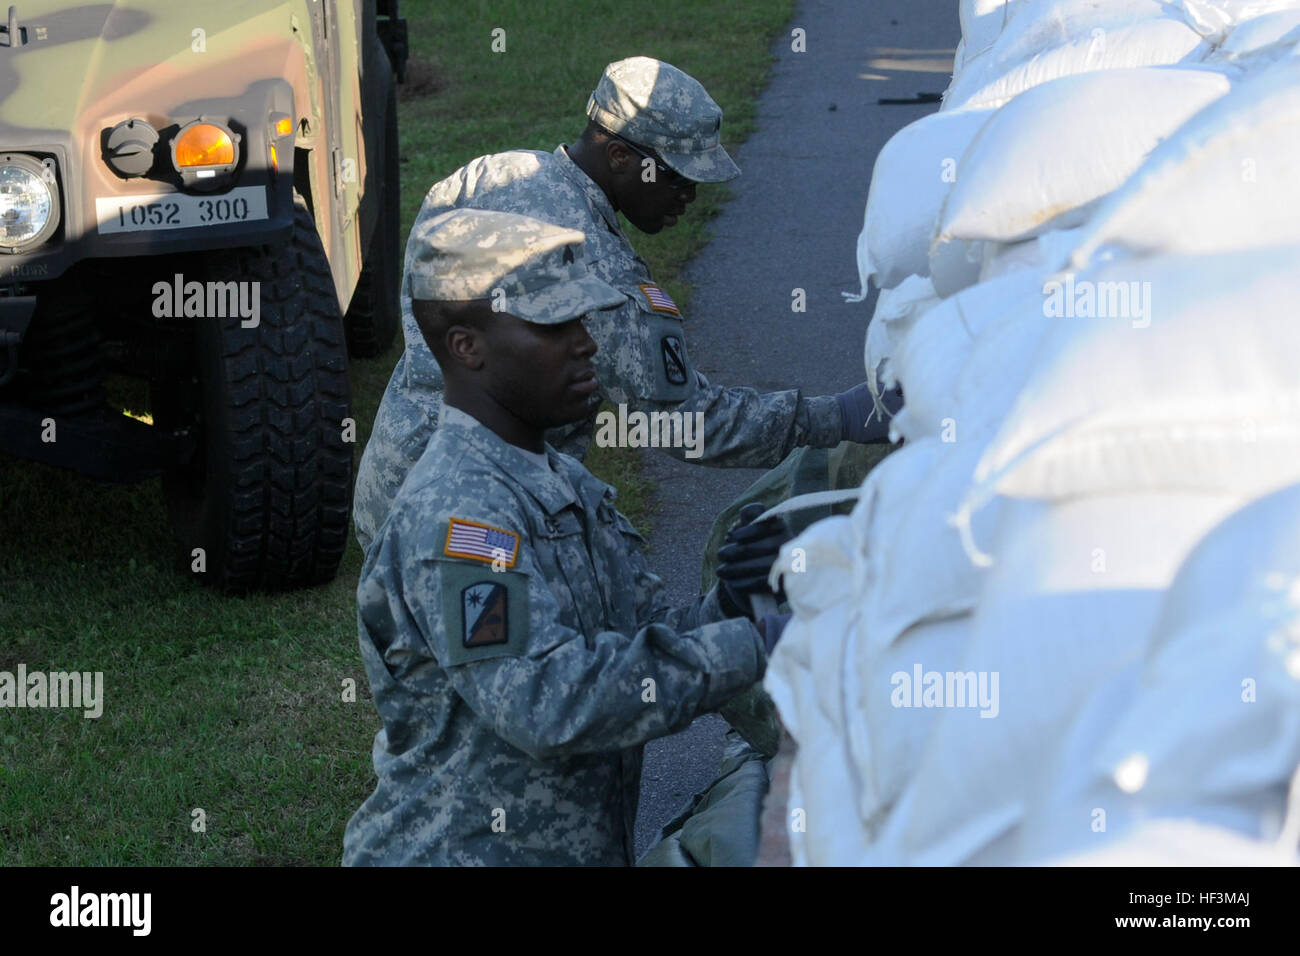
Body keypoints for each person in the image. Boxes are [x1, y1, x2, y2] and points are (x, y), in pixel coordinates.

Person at [343, 208, 793, 866]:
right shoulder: (461, 516)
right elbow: (547, 703)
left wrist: (731, 603)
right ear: (468, 348)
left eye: (583, 321)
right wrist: (750, 645)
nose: (587, 344)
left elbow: (631, 643)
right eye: (556, 326)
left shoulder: (561, 481)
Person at [353, 55, 897, 552]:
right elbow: (682, 422)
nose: (690, 195)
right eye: (680, 177)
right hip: (486, 520)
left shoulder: (489, 174)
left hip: (397, 480)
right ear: (619, 154)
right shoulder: (595, 265)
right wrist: (839, 416)